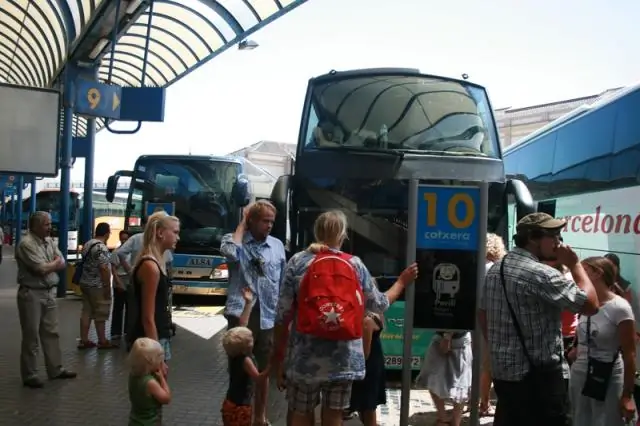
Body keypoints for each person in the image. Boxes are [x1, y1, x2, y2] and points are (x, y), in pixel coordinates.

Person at [271, 210, 418, 426]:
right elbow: (379, 304)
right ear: (342, 235)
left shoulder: (297, 262)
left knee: (301, 414)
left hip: (304, 357)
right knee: (333, 417)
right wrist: (402, 282)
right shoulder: (355, 264)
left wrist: (280, 359)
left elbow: (282, 314)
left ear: (316, 232)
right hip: (344, 360)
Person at [479, 212, 600, 426]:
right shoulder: (542, 274)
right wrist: (575, 264)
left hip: (504, 376)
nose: (558, 242)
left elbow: (482, 313)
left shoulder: (496, 269)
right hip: (538, 381)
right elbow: (591, 305)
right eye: (553, 236)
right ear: (533, 238)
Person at [221, 199, 287, 426]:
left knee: (262, 370)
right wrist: (241, 225)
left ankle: (259, 416)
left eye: (272, 222)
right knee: (240, 371)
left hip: (268, 316)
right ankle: (238, 417)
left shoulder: (277, 245)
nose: (269, 226)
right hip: (241, 314)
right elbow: (230, 254)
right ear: (251, 221)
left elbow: (283, 280)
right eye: (265, 221)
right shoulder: (234, 240)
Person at [567, 256, 637, 425]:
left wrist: (627, 395)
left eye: (583, 271)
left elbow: (630, 354)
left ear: (597, 274)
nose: (577, 276)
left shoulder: (619, 307)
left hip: (609, 376)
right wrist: (575, 349)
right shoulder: (585, 303)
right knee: (580, 420)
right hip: (580, 374)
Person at [15, 211, 76, 388]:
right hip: (31, 293)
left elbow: (63, 262)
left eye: (49, 224)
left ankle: (55, 369)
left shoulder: (49, 241)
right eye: (46, 224)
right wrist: (55, 264)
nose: (50, 227)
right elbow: (39, 268)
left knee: (52, 333)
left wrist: (54, 264)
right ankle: (30, 374)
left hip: (49, 293)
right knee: (31, 335)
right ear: (34, 226)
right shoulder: (26, 244)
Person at [128, 211, 180, 363]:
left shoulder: (157, 261)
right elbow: (148, 317)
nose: (178, 237)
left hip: (157, 336)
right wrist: (157, 354)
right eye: (175, 232)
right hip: (151, 340)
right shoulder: (151, 266)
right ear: (160, 233)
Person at [221, 287, 269, 426]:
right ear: (246, 346)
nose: (252, 337)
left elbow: (243, 324)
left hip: (230, 403)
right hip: (241, 407)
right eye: (251, 338)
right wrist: (271, 366)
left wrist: (248, 303)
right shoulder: (246, 360)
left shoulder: (234, 354)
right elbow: (258, 378)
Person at [479, 232, 506, 417]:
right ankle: (484, 404)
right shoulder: (496, 268)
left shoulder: (476, 266)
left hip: (474, 319)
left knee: (474, 362)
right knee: (487, 366)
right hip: (490, 319)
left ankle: (470, 400)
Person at [77, 222, 115, 349]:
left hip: (85, 283)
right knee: (101, 313)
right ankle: (102, 341)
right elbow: (104, 268)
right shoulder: (101, 248)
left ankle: (84, 340)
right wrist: (106, 287)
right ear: (106, 233)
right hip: (97, 286)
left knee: (86, 311)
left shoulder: (88, 244)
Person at [348, 311, 386, 426]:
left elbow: (365, 354)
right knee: (367, 406)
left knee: (367, 407)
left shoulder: (367, 321)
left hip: (366, 368)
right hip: (374, 364)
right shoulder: (377, 314)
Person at [128, 337, 171, 425]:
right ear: (151, 362)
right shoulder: (150, 383)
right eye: (160, 361)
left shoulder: (133, 375)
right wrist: (162, 378)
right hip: (149, 422)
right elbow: (166, 398)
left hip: (134, 421)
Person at [111, 230, 131, 341]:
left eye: (126, 239)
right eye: (122, 239)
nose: (124, 241)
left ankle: (128, 330)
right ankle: (115, 332)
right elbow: (113, 269)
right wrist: (118, 282)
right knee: (118, 307)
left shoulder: (133, 252)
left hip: (129, 281)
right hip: (119, 280)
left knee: (130, 307)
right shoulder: (116, 252)